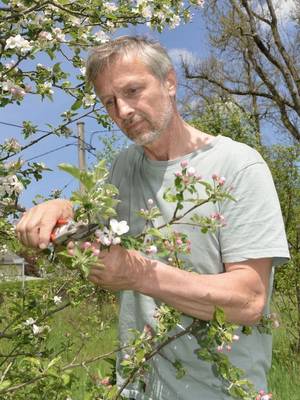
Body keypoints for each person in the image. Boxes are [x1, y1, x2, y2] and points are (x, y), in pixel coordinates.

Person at [16, 36, 290, 399]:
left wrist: (137, 272)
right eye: (109, 102)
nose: (123, 111)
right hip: (137, 387)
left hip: (219, 392)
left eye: (133, 90)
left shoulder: (238, 165)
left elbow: (250, 300)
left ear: (170, 82)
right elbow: (90, 223)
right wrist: (60, 208)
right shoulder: (123, 168)